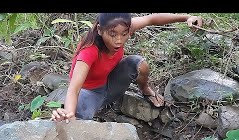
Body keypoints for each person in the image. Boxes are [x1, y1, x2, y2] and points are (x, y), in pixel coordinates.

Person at [51, 13, 203, 123]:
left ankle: (145, 90)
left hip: (110, 84)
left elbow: (151, 19)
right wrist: (69, 112)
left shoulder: (122, 26)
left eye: (124, 34)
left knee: (137, 63)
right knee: (77, 120)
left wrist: (187, 17)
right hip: (89, 94)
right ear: (99, 30)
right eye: (112, 34)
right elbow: (74, 89)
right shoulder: (89, 51)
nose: (119, 40)